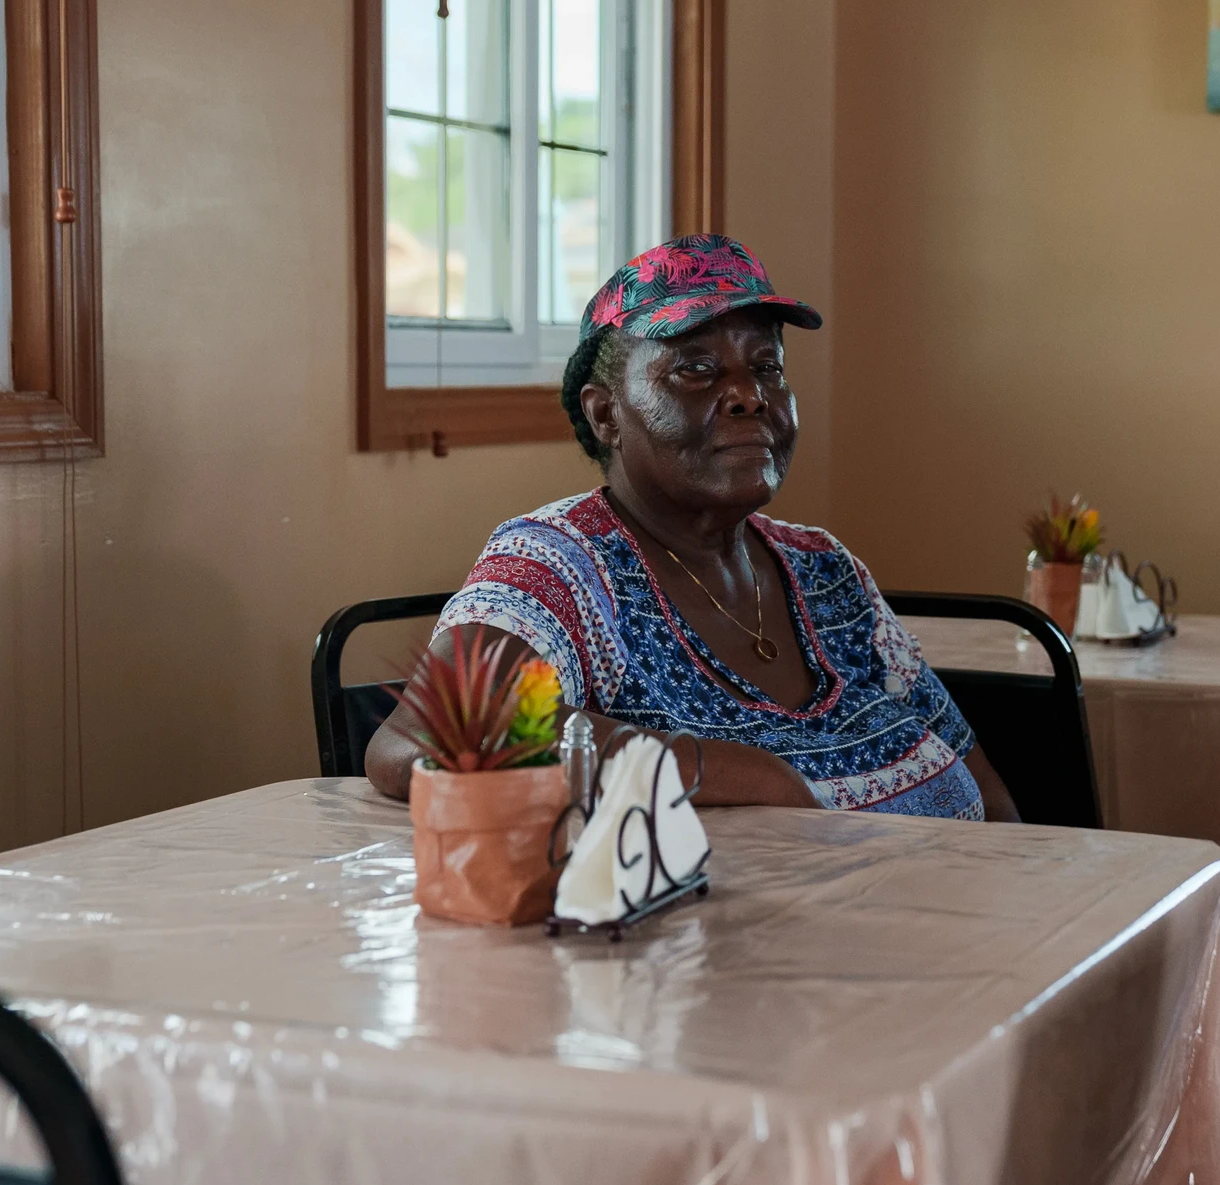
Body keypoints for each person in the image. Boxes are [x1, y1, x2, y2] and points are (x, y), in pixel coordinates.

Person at [366, 234, 1019, 822]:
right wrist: (738, 774)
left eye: (766, 366)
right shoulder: (564, 564)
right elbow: (436, 734)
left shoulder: (827, 570)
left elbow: (986, 792)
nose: (748, 394)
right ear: (605, 417)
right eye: (696, 369)